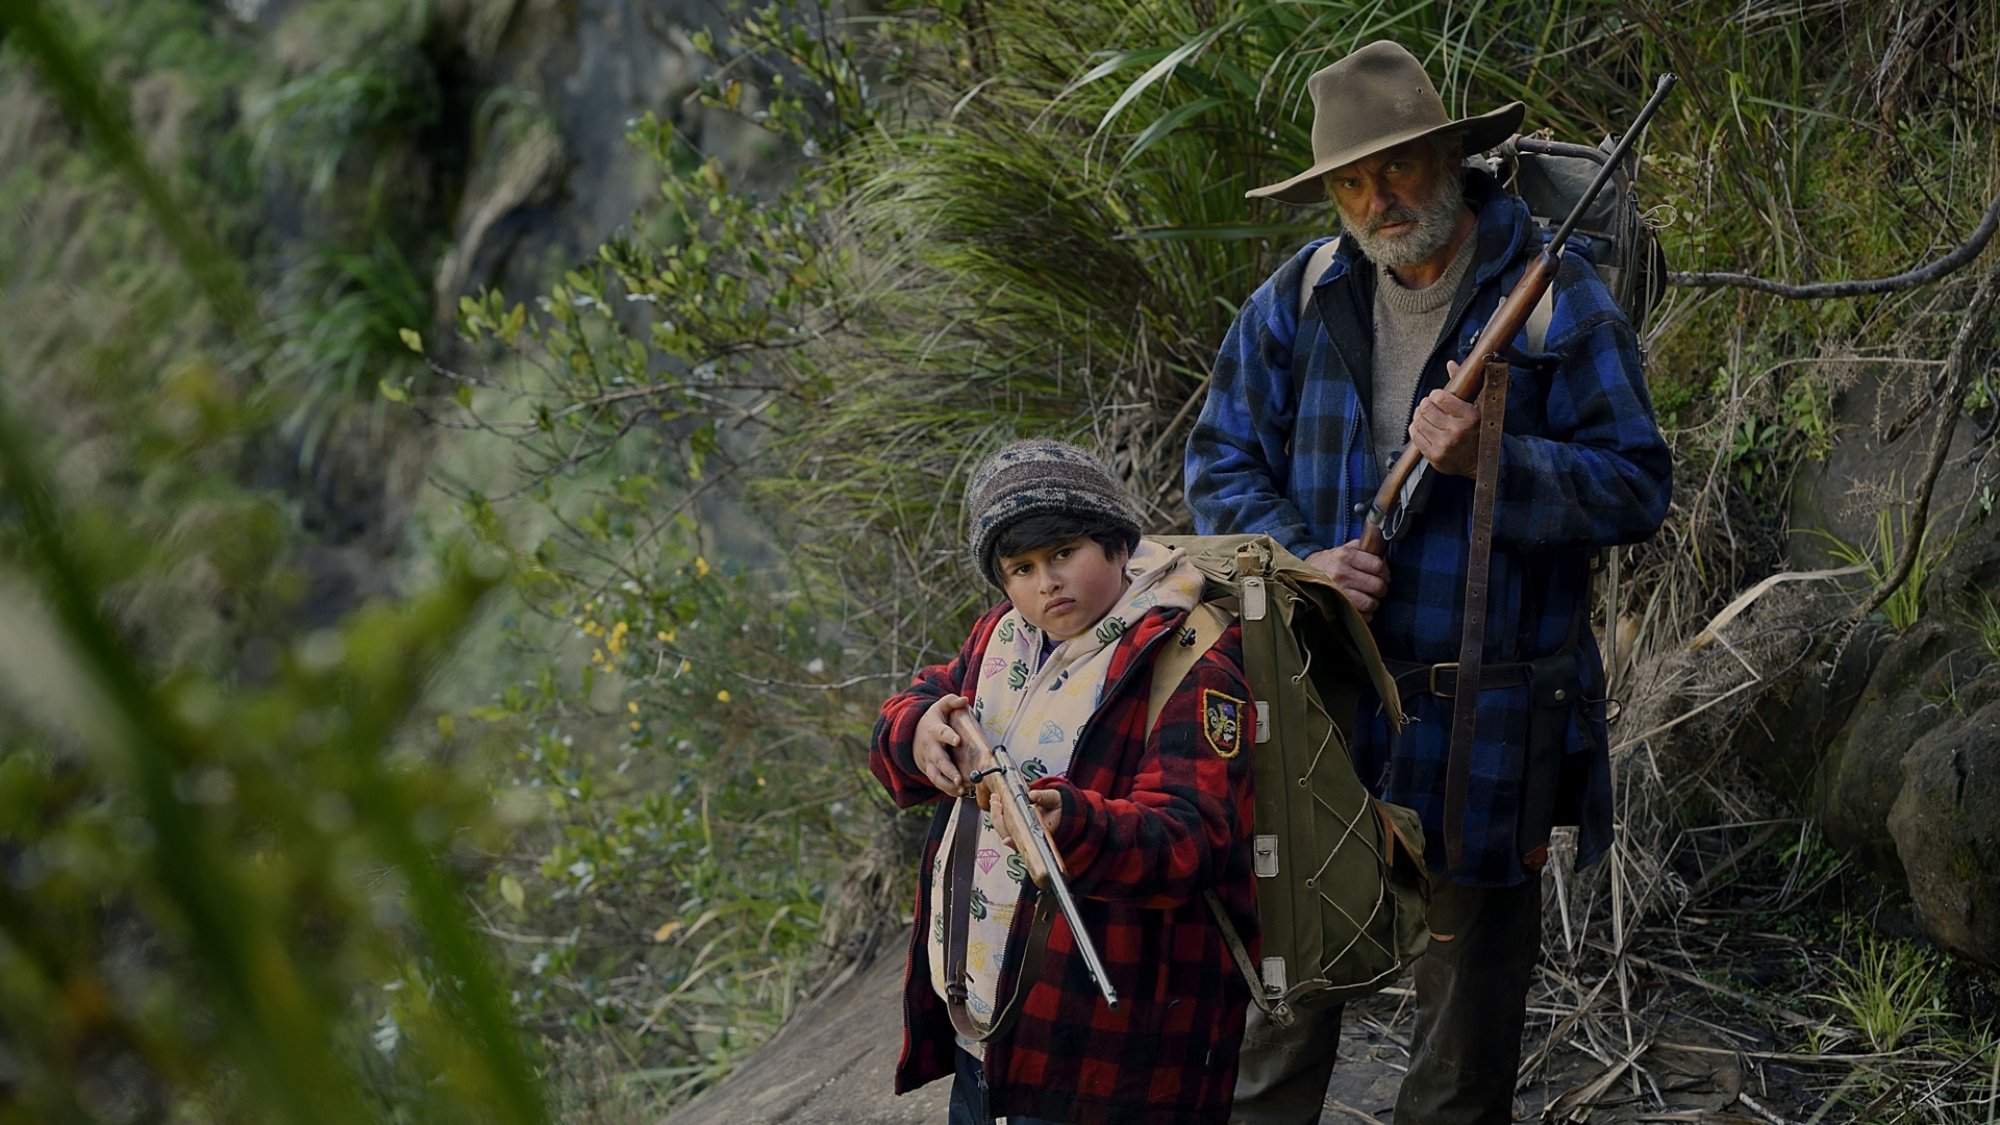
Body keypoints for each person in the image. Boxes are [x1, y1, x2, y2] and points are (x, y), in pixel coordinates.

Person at [1183, 40, 1672, 1125]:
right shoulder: (1301, 294)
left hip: (1489, 719)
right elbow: (1216, 461)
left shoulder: (1555, 294)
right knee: (1281, 1008)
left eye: (1396, 165)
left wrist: (1493, 457)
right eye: (1351, 180)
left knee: (1462, 1048)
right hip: (1326, 711)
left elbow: (1638, 487)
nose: (1376, 198)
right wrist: (1297, 562)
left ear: (1451, 151)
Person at [871, 439, 1260, 1125]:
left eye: (1063, 553)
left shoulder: (1189, 658)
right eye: (1020, 567)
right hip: (987, 1027)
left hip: (1112, 1053)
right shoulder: (1001, 634)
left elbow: (1192, 835)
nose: (1045, 582)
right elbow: (924, 696)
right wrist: (918, 731)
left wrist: (1071, 823)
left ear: (1115, 541)